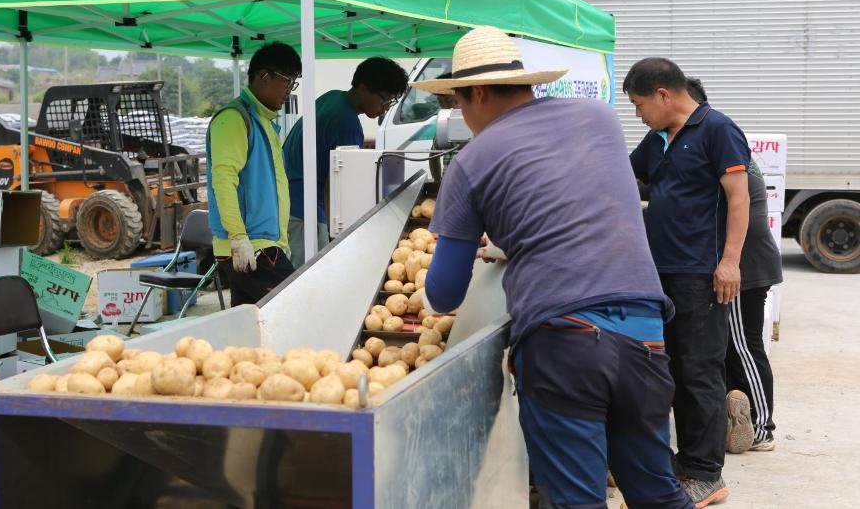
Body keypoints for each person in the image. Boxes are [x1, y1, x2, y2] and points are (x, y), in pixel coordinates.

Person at [417, 26, 693, 509]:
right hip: (646, 332)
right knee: (657, 494)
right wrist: (515, 239)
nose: (462, 115)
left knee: (577, 501)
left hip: (563, 343)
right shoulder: (599, 119)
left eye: (458, 102)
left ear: (477, 92)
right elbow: (575, 198)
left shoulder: (471, 161)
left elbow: (444, 293)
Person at [626, 59, 751, 507]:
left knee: (700, 370)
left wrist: (730, 263)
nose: (639, 114)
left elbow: (739, 199)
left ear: (663, 94)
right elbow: (626, 177)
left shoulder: (717, 129)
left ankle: (705, 472)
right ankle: (685, 459)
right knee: (671, 368)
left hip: (703, 273)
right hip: (659, 273)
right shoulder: (658, 138)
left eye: (640, 105)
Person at [687, 77, 781, 454]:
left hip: (746, 264)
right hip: (746, 260)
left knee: (742, 345)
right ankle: (735, 416)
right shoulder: (723, 145)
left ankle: (761, 426)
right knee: (730, 347)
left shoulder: (716, 142)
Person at [283, 57, 408, 267]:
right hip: (307, 213)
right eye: (384, 99)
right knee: (309, 282)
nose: (385, 108)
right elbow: (338, 187)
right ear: (364, 86)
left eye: (390, 102)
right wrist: (338, 236)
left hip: (290, 204)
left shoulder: (331, 98)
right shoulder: (347, 123)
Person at [206, 41, 301, 305]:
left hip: (263, 244)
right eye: (287, 82)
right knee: (294, 308)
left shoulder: (264, 122)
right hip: (251, 246)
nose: (289, 91)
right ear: (263, 76)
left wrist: (281, 239)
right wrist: (238, 238)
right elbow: (222, 180)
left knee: (250, 327)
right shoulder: (233, 119)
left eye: (293, 83)